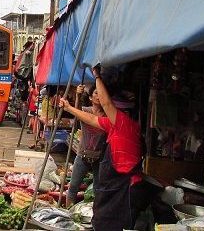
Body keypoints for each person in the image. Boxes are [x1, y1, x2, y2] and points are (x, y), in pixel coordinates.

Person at [59, 67, 142, 231]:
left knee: (116, 221)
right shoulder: (113, 124)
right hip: (115, 182)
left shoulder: (123, 123)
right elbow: (90, 118)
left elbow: (106, 103)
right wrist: (69, 108)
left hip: (125, 185)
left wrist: (97, 75)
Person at [65, 84, 106, 207]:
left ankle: (95, 216)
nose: (98, 96)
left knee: (98, 190)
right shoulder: (85, 111)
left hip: (100, 157)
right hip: (83, 155)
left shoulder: (107, 115)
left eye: (101, 94)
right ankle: (68, 212)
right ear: (90, 97)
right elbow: (76, 111)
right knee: (73, 187)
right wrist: (77, 95)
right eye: (96, 93)